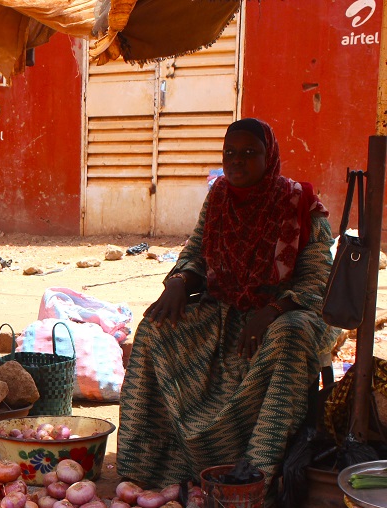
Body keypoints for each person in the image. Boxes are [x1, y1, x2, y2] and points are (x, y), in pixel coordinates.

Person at [117, 118, 333, 489]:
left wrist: (273, 310)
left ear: (270, 156)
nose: (237, 161)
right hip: (225, 308)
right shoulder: (219, 197)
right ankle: (149, 466)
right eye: (230, 153)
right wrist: (180, 282)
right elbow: (197, 251)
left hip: (289, 313)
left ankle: (256, 475)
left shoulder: (300, 204)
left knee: (290, 334)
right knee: (154, 327)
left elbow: (318, 279)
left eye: (250, 153)